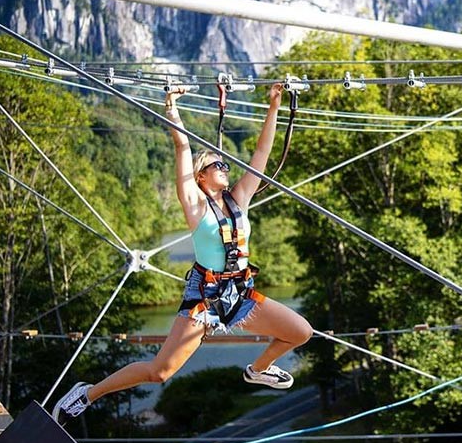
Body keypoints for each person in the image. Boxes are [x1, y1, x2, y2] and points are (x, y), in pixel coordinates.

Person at [52, 83, 312, 424]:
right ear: (201, 176)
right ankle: (88, 393)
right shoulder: (195, 207)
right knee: (160, 372)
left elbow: (262, 155)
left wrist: (274, 106)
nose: (225, 168)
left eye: (226, 165)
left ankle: (258, 369)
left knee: (301, 332)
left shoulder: (239, 199)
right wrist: (172, 110)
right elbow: (182, 148)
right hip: (205, 299)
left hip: (240, 293)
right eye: (217, 165)